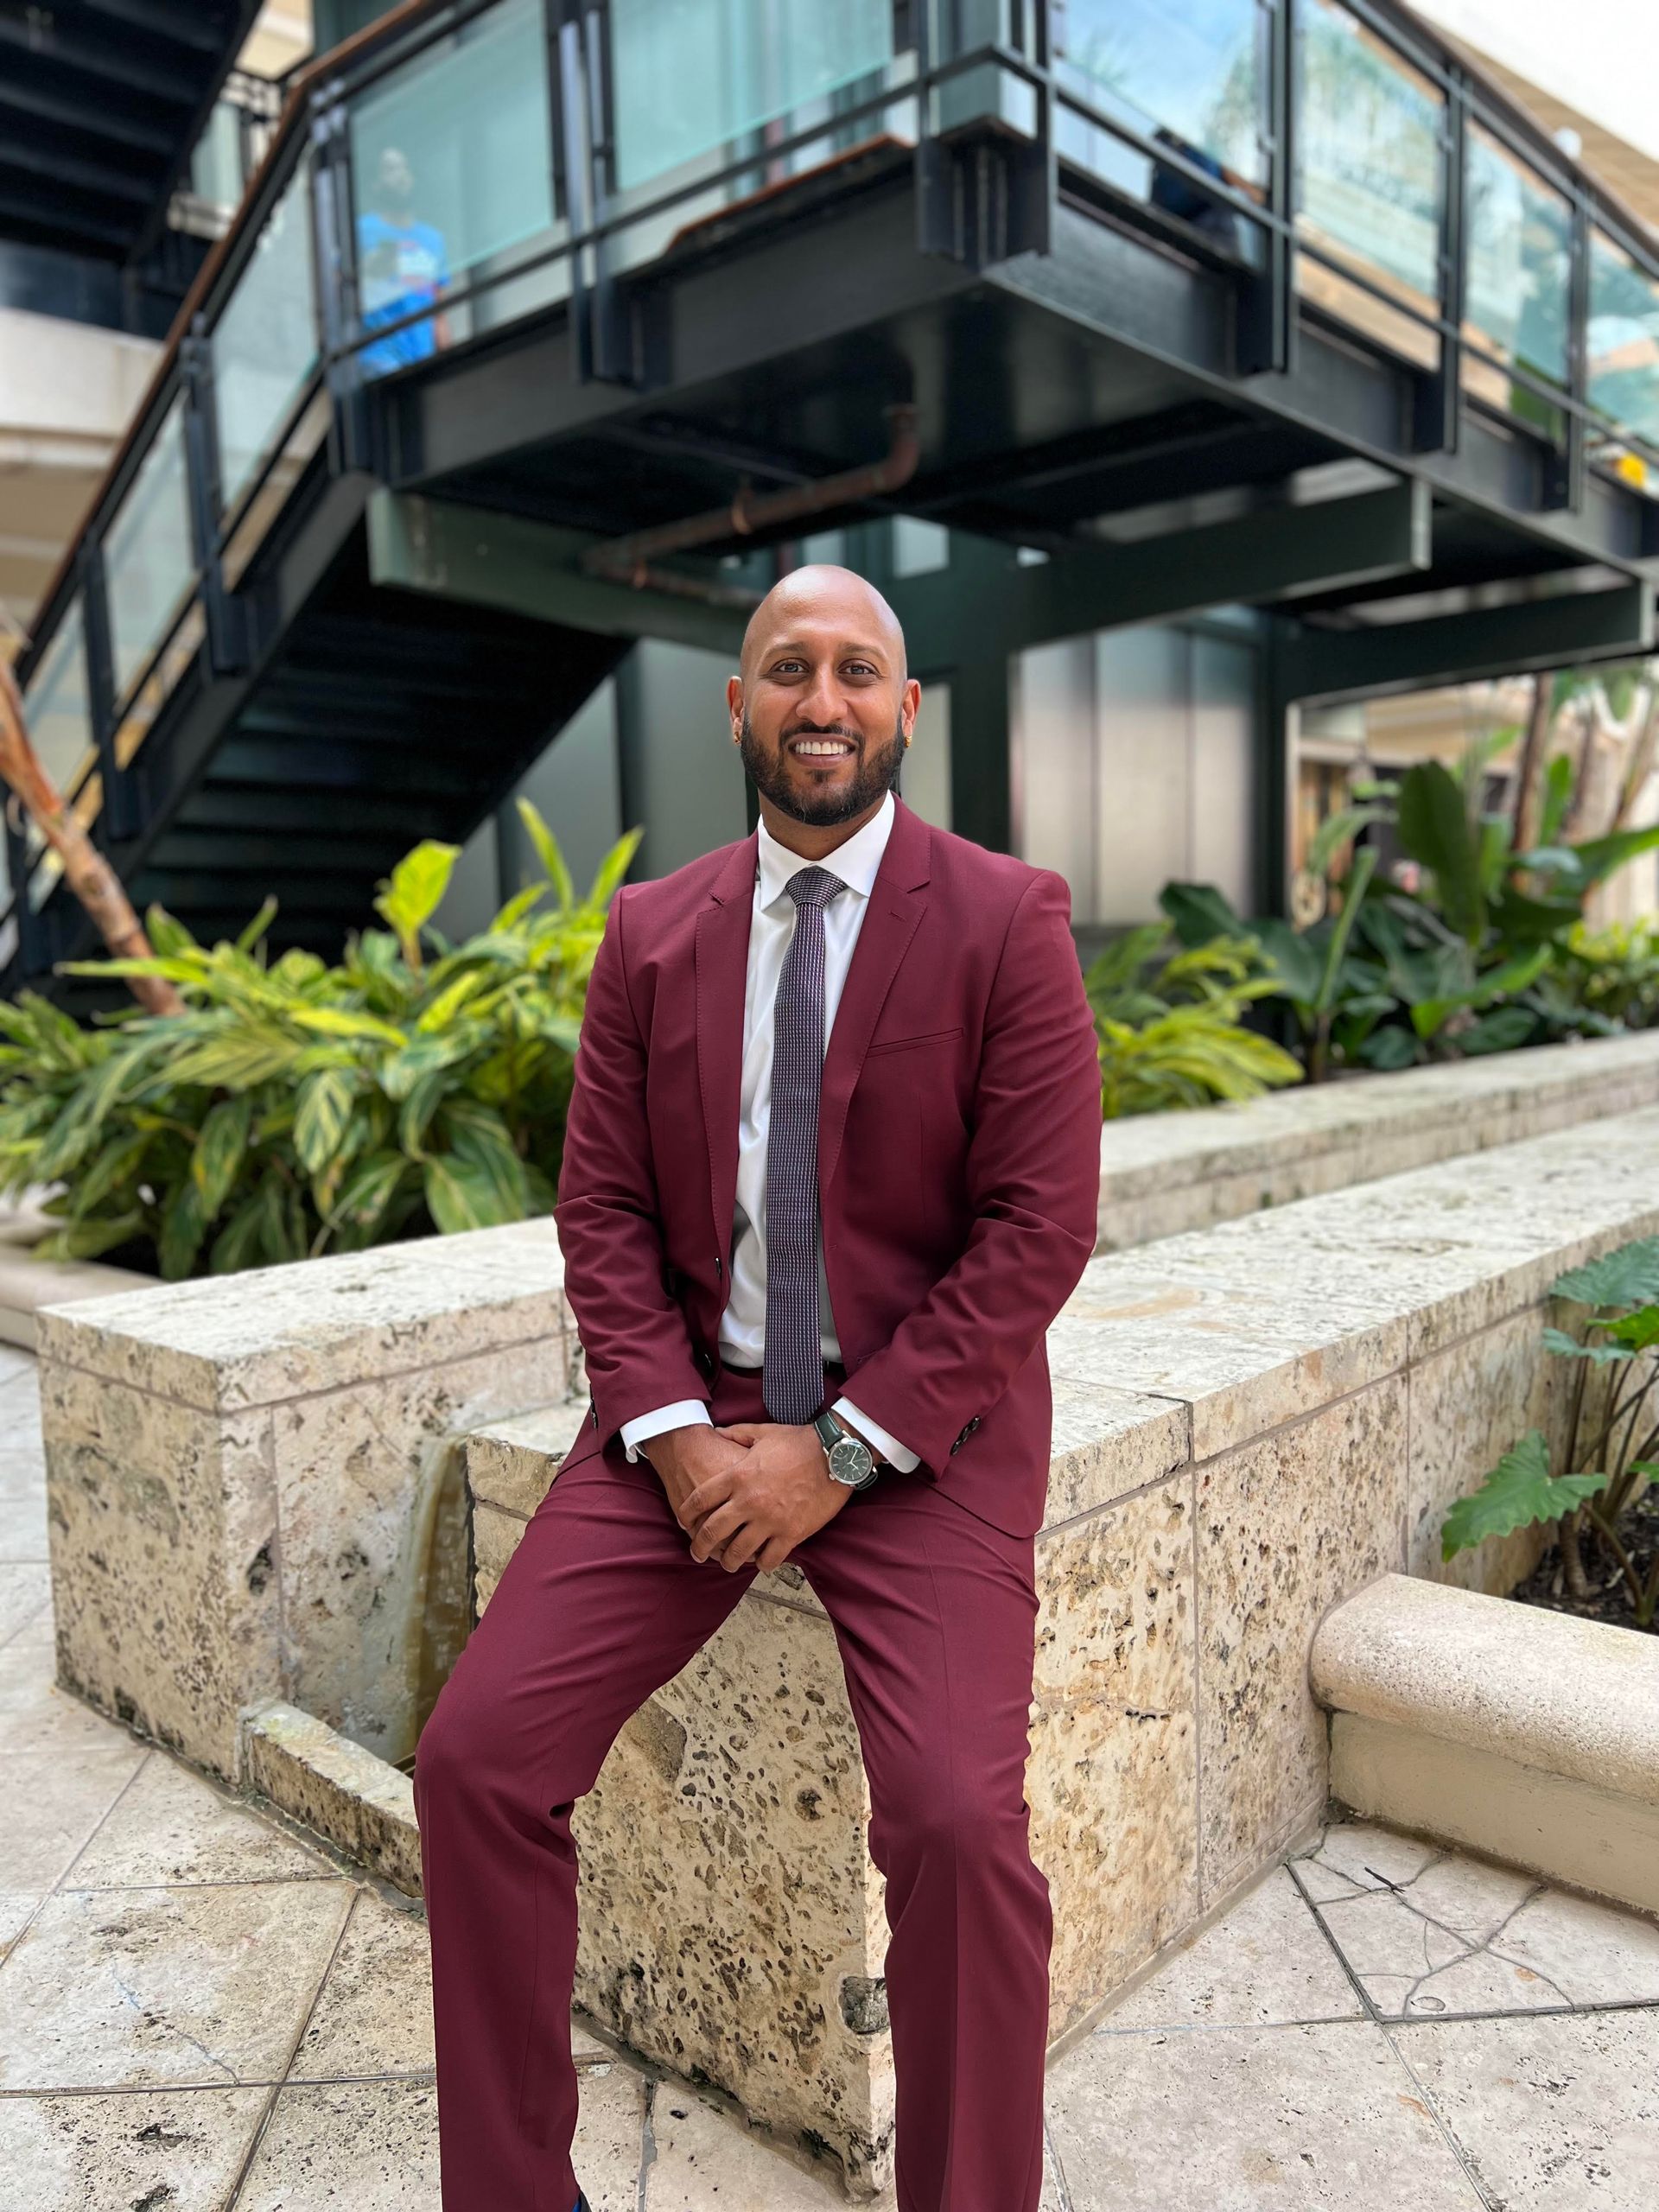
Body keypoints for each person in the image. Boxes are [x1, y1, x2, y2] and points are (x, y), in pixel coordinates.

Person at [412, 563, 1105, 2212]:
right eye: (788, 668)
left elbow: (1037, 1230)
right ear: (738, 705)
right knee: (476, 1764)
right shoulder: (653, 932)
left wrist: (840, 1454)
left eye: (858, 670)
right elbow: (601, 1211)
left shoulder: (1005, 918)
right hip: (685, 1425)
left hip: (922, 1442)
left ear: (905, 708)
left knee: (956, 1829)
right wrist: (669, 1434)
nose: (822, 700)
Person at [356, 145, 450, 376]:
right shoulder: (361, 231)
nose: (401, 175)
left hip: (421, 362)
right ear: (376, 184)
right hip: (378, 359)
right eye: (391, 169)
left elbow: (439, 314)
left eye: (405, 168)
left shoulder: (433, 240)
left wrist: (450, 366)